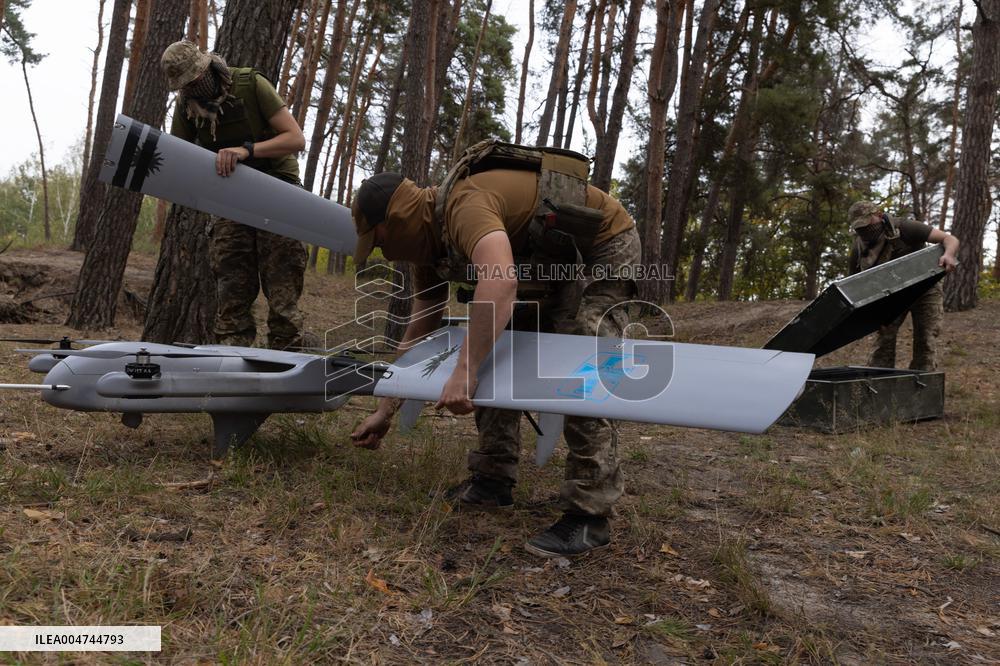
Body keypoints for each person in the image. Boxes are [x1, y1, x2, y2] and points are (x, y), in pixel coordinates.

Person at [348, 149, 641, 558]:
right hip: (542, 260)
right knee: (495, 348)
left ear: (395, 221)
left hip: (603, 244)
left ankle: (590, 515)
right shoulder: (430, 244)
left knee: (584, 360)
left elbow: (500, 283)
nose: (383, 253)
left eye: (377, 242)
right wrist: (385, 409)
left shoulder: (464, 206)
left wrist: (464, 370)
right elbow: (421, 326)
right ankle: (492, 478)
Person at [159, 40, 309, 349]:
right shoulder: (187, 105)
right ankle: (232, 364)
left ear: (208, 68)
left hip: (277, 190)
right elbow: (179, 156)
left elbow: (295, 139)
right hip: (230, 199)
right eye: (185, 85)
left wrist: (246, 151)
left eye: (195, 80)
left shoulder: (250, 83)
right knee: (231, 295)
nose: (192, 89)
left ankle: (286, 366)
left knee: (282, 292)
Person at [847, 201, 959, 370]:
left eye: (865, 224)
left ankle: (921, 384)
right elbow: (854, 283)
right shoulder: (859, 248)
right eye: (858, 228)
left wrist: (949, 254)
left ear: (878, 215)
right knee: (884, 340)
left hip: (925, 288)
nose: (863, 231)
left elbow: (949, 239)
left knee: (926, 338)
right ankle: (879, 382)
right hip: (892, 294)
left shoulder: (905, 228)